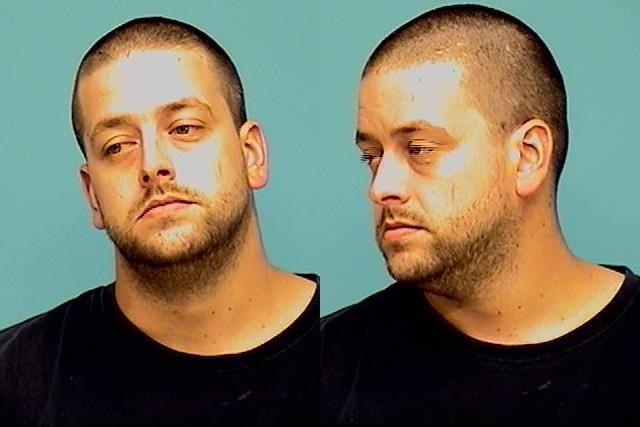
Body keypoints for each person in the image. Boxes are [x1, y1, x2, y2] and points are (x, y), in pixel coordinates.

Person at [321, 4, 639, 424]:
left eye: (419, 149)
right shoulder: (324, 369)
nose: (381, 188)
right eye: (372, 156)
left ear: (527, 156)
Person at [0, 16, 318, 426]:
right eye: (117, 146)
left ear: (251, 155)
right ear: (93, 194)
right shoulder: (14, 381)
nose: (152, 165)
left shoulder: (349, 350)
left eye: (184, 128)